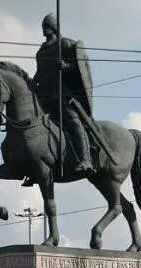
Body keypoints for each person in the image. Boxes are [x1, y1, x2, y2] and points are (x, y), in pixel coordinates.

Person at [25, 13, 94, 183]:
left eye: (48, 27)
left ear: (54, 28)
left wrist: (66, 66)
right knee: (36, 127)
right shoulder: (41, 52)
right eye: (43, 27)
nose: (45, 31)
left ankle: (86, 160)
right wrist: (31, 84)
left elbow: (81, 65)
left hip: (63, 93)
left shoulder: (65, 44)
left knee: (73, 122)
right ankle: (38, 165)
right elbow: (40, 73)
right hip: (44, 95)